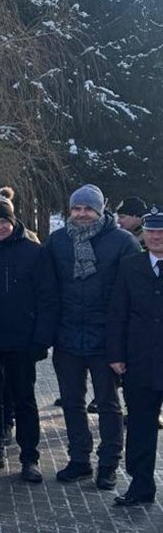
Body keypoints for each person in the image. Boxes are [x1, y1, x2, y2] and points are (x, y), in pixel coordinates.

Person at [44, 184, 139, 488]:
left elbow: (131, 294)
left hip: (105, 339)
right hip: (67, 337)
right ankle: (79, 459)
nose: (82, 214)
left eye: (88, 208)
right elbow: (47, 289)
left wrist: (123, 343)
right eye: (76, 208)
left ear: (100, 210)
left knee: (109, 404)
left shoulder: (122, 242)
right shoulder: (57, 241)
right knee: (71, 402)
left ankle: (109, 463)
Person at [0, 196, 58, 482]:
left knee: (24, 400)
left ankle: (29, 458)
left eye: (3, 221)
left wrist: (41, 339)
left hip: (21, 340)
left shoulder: (33, 251)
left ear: (13, 221)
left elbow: (47, 297)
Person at [107, 208, 163, 506]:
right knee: (141, 427)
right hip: (140, 361)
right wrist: (115, 354)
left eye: (162, 232)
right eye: (151, 232)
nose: (156, 237)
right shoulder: (131, 266)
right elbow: (118, 313)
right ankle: (141, 486)